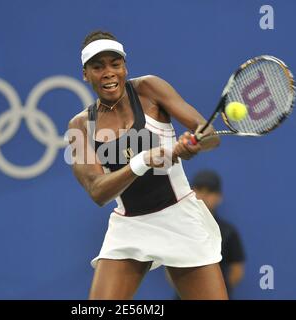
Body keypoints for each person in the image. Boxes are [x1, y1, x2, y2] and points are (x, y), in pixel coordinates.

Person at [68, 30, 227, 300]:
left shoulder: (150, 89)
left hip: (180, 218)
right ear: (86, 74)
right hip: (130, 227)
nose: (108, 72)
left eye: (115, 64)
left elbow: (209, 135)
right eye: (98, 67)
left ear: (125, 68)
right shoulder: (80, 126)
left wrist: (193, 144)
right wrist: (142, 161)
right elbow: (97, 192)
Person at [191, 170, 246, 298]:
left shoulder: (229, 232)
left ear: (219, 197)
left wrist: (219, 290)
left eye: (209, 191)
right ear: (190, 194)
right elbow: (170, 267)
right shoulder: (181, 229)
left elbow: (237, 270)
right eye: (199, 190)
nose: (203, 196)